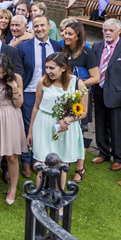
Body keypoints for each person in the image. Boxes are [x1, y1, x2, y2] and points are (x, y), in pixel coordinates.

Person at [27, 53, 87, 188]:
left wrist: (68, 119)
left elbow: (83, 111)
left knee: (61, 165)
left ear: (63, 68)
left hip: (65, 128)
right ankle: (39, 198)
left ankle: (58, 200)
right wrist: (30, 131)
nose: (48, 71)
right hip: (43, 124)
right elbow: (36, 107)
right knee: (41, 165)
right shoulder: (43, 81)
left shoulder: (78, 83)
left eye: (52, 68)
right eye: (46, 67)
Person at [17, 15, 62, 178]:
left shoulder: (57, 46)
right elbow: (20, 72)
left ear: (49, 26)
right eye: (36, 26)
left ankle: (44, 158)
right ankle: (26, 161)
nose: (39, 29)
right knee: (30, 126)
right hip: (30, 91)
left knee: (48, 125)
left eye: (42, 25)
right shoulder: (24, 47)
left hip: (52, 93)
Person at [61, 22, 99, 182]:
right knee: (65, 129)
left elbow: (96, 77)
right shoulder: (63, 50)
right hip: (64, 98)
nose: (65, 36)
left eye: (69, 34)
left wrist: (76, 84)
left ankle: (80, 168)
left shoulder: (87, 53)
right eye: (64, 33)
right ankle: (65, 161)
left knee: (80, 132)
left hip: (79, 98)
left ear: (78, 36)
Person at [0, 55, 27, 205]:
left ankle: (13, 188)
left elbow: (19, 104)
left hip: (12, 116)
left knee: (12, 157)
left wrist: (14, 87)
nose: (0, 75)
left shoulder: (17, 78)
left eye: (3, 72)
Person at [91, 19, 121, 173]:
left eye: (111, 30)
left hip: (116, 92)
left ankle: (118, 158)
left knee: (116, 126)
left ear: (119, 31)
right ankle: (103, 152)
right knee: (100, 123)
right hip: (99, 89)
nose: (108, 33)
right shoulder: (97, 46)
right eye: (105, 30)